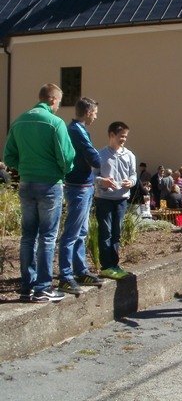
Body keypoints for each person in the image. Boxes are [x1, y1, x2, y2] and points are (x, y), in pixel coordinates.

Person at [3, 83, 75, 303]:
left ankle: (27, 286)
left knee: (28, 236)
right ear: (53, 100)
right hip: (49, 183)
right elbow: (66, 157)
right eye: (59, 102)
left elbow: (8, 157)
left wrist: (23, 168)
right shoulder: (55, 123)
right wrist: (62, 171)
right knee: (47, 237)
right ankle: (43, 288)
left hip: (26, 182)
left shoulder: (20, 121)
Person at [58, 97, 105, 295]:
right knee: (72, 232)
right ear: (88, 113)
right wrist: (96, 158)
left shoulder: (77, 130)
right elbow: (94, 157)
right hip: (78, 186)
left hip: (83, 185)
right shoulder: (77, 131)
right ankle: (66, 275)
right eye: (94, 113)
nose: (95, 117)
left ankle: (80, 270)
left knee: (81, 231)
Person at [94, 121, 137, 280]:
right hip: (104, 198)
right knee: (105, 231)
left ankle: (114, 264)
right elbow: (92, 175)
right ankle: (106, 266)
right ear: (111, 135)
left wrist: (130, 182)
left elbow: (133, 175)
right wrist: (101, 181)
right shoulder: (100, 155)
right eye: (121, 137)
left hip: (121, 199)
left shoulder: (129, 155)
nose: (123, 140)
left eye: (125, 137)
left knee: (116, 232)